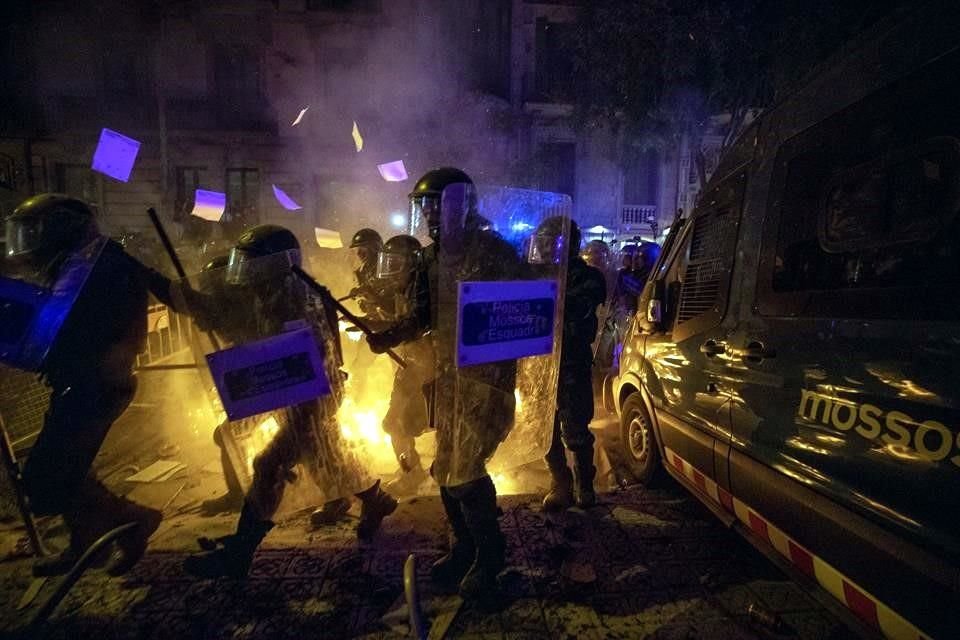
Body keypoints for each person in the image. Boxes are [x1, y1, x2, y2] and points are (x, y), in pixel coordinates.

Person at [183, 225, 397, 579]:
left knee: (269, 465)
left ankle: (239, 553)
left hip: (311, 399)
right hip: (298, 394)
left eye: (254, 268)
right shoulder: (273, 293)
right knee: (331, 462)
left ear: (274, 266)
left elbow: (290, 351)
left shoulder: (297, 298)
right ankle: (378, 500)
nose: (246, 276)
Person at [367, 167, 521, 604]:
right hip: (449, 382)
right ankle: (464, 549)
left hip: (487, 383)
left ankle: (491, 557)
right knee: (445, 470)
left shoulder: (496, 253)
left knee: (467, 472)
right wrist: (389, 335)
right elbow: (420, 315)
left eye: (436, 205)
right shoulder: (430, 259)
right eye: (424, 206)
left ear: (460, 206)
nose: (430, 214)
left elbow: (519, 312)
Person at [3, 194, 172, 576]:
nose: (26, 246)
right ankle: (86, 547)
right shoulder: (88, 263)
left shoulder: (101, 267)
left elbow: (87, 329)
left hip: (97, 386)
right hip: (87, 384)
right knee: (70, 468)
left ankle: (134, 520)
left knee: (44, 479)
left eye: (33, 234)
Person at [536, 219, 607, 511]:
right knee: (543, 430)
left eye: (550, 241)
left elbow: (578, 303)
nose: (543, 247)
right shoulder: (536, 275)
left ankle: (584, 484)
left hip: (571, 363)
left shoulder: (588, 276)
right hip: (540, 365)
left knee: (575, 429)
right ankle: (560, 482)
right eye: (541, 241)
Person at [376, 235, 433, 495]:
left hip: (429, 369)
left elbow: (417, 323)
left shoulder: (424, 288)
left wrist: (388, 336)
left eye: (395, 263)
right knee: (392, 423)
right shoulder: (403, 289)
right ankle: (413, 472)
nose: (389, 271)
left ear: (411, 263)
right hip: (410, 365)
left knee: (423, 422)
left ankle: (445, 476)